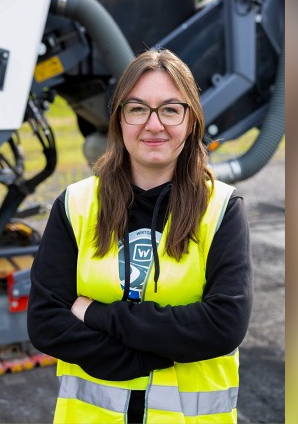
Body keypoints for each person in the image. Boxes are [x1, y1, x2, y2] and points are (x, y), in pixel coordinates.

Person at [27, 49, 253, 424]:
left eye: (170, 109)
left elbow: (223, 325)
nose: (153, 124)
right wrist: (146, 356)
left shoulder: (222, 208)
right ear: (118, 120)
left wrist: (95, 313)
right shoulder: (76, 204)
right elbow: (47, 324)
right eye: (137, 109)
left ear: (191, 120)